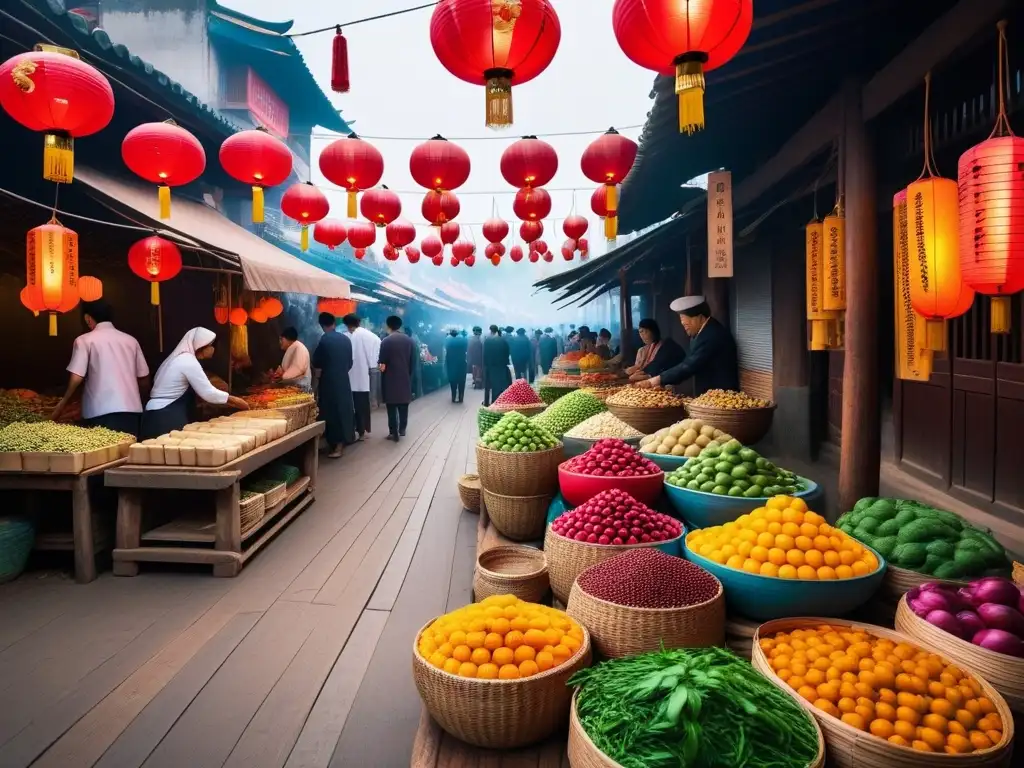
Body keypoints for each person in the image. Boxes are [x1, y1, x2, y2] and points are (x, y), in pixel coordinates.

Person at [52, 299, 149, 435]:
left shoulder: (85, 340)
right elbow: (143, 378)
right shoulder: (131, 341)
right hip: (131, 412)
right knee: (128, 453)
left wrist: (64, 402)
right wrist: (138, 397)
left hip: (100, 412)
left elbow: (76, 377)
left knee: (104, 454)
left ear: (87, 318)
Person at [141, 328, 248, 439]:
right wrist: (236, 401)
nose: (213, 349)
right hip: (166, 415)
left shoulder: (179, 358)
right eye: (210, 345)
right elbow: (208, 393)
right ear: (201, 345)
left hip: (157, 413)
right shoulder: (187, 360)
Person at [636, 296, 740, 394]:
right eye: (681, 320)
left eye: (685, 322)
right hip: (711, 395)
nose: (682, 324)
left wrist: (654, 381)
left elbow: (689, 365)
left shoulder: (712, 335)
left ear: (699, 317)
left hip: (722, 396)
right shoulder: (703, 332)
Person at [312, 312, 355, 458]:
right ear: (334, 323)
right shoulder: (345, 339)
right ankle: (346, 439)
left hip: (329, 382)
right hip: (344, 379)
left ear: (322, 325)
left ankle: (337, 446)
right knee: (344, 410)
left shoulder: (324, 340)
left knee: (331, 413)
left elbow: (316, 361)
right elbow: (350, 362)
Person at [342, 313, 381, 441]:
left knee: (355, 406)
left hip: (354, 378)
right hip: (366, 377)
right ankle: (363, 430)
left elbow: (351, 358)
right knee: (363, 405)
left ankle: (358, 431)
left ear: (348, 325)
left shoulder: (353, 336)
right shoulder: (368, 334)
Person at [378, 315, 416, 441]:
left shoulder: (386, 341)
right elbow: (413, 362)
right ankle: (402, 429)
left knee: (391, 407)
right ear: (400, 326)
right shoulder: (410, 341)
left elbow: (382, 364)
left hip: (390, 379)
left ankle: (392, 431)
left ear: (388, 326)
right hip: (405, 378)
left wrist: (382, 369)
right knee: (403, 405)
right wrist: (408, 374)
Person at [482, 324, 512, 405]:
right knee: (498, 385)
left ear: (490, 331)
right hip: (501, 367)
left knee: (487, 386)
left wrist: (485, 365)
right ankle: (496, 402)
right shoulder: (503, 341)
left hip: (490, 366)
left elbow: (484, 355)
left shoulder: (487, 341)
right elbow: (507, 353)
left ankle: (486, 402)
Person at [275, 327, 311, 391]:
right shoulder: (294, 347)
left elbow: (297, 369)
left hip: (301, 389)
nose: (280, 342)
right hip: (293, 388)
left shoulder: (299, 348)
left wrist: (283, 376)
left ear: (288, 339)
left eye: (281, 339)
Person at [444, 329, 468, 403]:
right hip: (461, 364)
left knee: (453, 382)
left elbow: (446, 354)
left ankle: (453, 397)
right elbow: (466, 351)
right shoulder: (463, 341)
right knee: (462, 382)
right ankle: (461, 397)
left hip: (452, 365)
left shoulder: (448, 342)